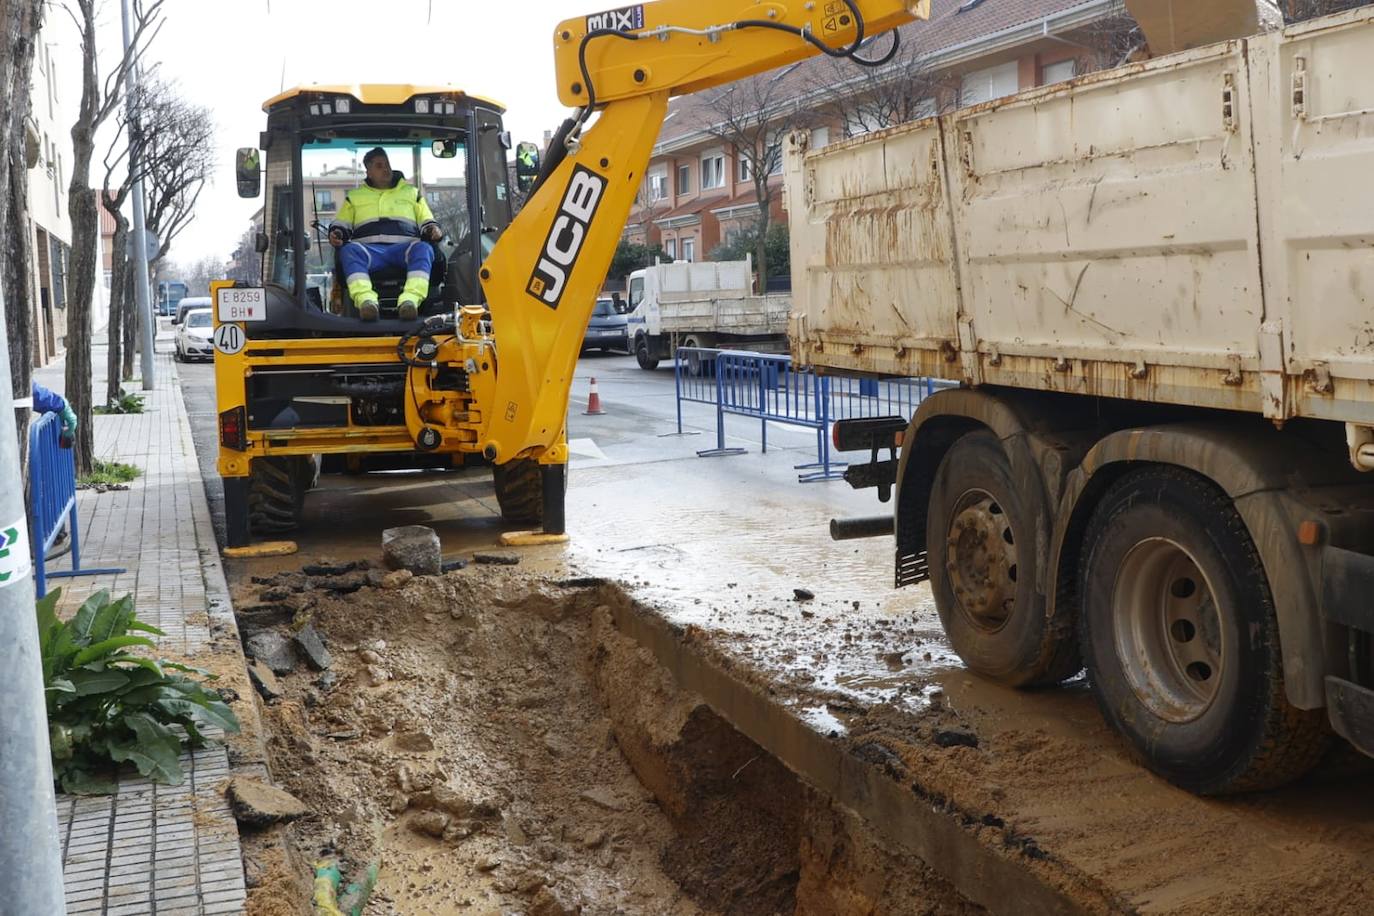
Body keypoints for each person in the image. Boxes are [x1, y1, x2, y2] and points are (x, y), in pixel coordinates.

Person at [329, 147, 443, 322]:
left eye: (387, 164)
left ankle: (409, 302)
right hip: (369, 252)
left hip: (404, 250)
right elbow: (342, 224)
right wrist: (336, 234)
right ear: (369, 171)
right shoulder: (354, 197)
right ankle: (367, 302)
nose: (386, 169)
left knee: (424, 248)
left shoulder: (411, 193)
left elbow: (427, 220)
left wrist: (433, 230)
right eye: (379, 165)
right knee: (349, 250)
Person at [32, 381, 77, 448]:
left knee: (41, 397)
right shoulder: (70, 423)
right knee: (39, 398)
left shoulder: (65, 421)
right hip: (59, 405)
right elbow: (73, 422)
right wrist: (66, 433)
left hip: (58, 404)